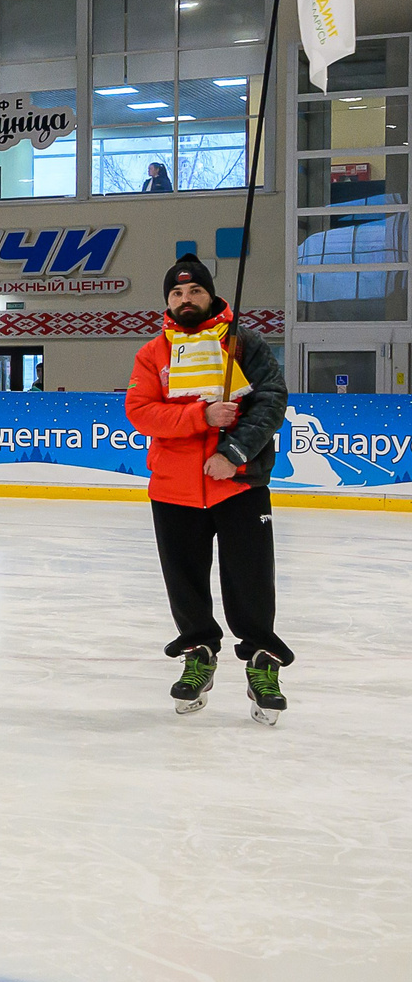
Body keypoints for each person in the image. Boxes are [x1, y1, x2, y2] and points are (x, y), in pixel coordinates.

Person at [125, 255, 293, 723]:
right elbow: (140, 412)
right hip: (174, 490)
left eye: (194, 291)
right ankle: (198, 651)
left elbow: (271, 400)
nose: (185, 299)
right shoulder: (153, 353)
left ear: (210, 294)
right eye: (176, 294)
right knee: (185, 581)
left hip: (238, 486)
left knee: (251, 579)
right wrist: (200, 416)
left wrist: (234, 454)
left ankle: (262, 659)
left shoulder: (243, 343)